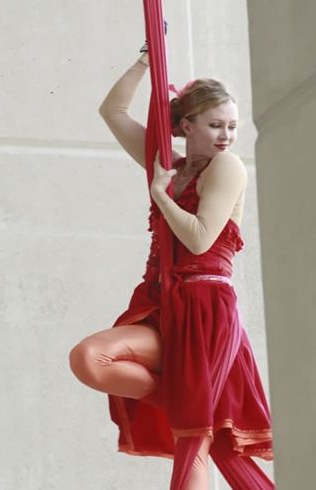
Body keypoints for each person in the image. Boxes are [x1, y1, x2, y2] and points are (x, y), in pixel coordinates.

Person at [69, 50, 274, 490]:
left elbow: (200, 238)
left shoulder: (227, 167)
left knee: (192, 444)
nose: (226, 136)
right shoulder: (170, 168)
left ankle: (194, 410)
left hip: (206, 310)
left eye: (233, 127)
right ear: (186, 127)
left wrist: (161, 197)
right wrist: (145, 62)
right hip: (161, 305)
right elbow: (113, 111)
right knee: (89, 358)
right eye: (216, 125)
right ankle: (188, 404)